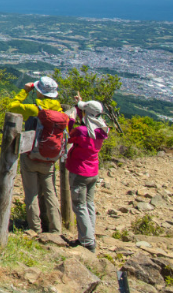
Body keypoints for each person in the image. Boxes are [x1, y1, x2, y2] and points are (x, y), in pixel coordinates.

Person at [8, 76, 65, 233]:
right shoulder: (60, 111)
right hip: (50, 159)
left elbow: (12, 106)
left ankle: (35, 228)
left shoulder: (35, 110)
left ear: (39, 91)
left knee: (31, 194)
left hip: (31, 156)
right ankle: (56, 228)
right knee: (50, 193)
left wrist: (25, 91)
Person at [66, 94, 108, 252]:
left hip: (80, 172)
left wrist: (70, 121)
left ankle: (88, 241)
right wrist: (79, 105)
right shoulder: (101, 130)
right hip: (93, 172)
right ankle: (87, 236)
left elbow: (70, 136)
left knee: (79, 206)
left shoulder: (81, 131)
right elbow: (85, 122)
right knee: (89, 205)